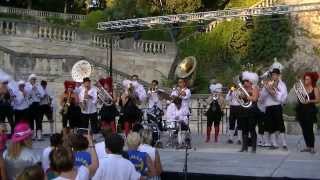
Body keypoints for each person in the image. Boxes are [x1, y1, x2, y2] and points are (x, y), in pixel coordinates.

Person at [260, 68, 288, 149]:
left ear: (278, 76)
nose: (273, 76)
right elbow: (262, 98)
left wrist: (273, 91)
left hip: (277, 106)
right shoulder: (268, 83)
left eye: (275, 75)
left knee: (280, 124)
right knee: (270, 126)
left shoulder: (282, 85)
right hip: (268, 106)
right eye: (272, 75)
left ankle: (284, 143)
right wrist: (266, 88)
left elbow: (282, 98)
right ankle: (274, 143)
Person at [296, 72, 320, 154]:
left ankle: (312, 147)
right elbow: (299, 98)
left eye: (307, 79)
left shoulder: (315, 88)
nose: (305, 80)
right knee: (304, 129)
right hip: (301, 110)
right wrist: (300, 92)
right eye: (305, 79)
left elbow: (318, 100)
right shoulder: (302, 88)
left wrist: (309, 101)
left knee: (309, 129)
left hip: (310, 110)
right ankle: (307, 146)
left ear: (311, 80)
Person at [238, 71, 260, 153]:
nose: (244, 83)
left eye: (246, 81)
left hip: (252, 110)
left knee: (252, 129)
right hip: (244, 110)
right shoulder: (243, 89)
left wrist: (246, 96)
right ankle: (244, 147)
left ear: (251, 81)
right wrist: (240, 95)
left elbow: (255, 99)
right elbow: (239, 98)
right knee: (244, 129)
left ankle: (253, 148)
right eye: (244, 81)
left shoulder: (255, 88)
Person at [25, 74, 45, 140]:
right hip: (30, 105)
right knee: (30, 120)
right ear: (29, 80)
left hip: (37, 104)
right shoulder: (27, 86)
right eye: (32, 79)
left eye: (34, 79)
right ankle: (32, 135)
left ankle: (39, 135)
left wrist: (36, 90)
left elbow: (42, 95)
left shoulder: (38, 86)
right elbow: (26, 94)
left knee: (38, 120)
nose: (33, 80)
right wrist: (31, 89)